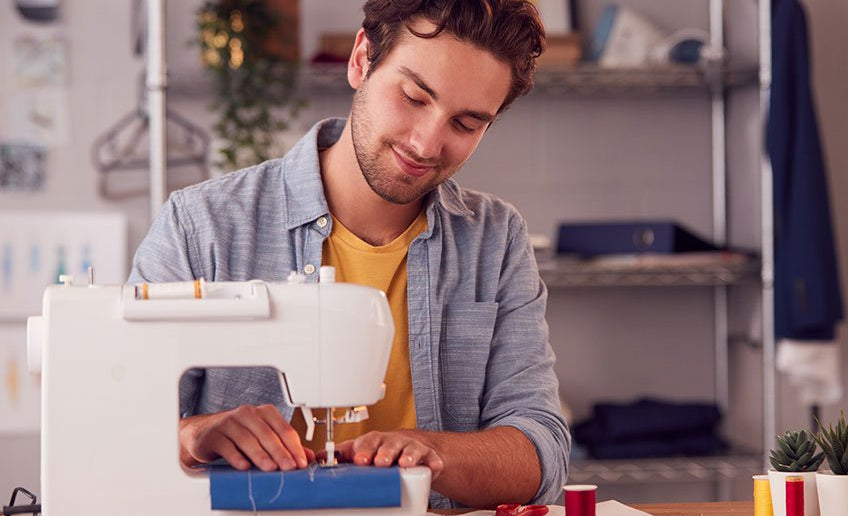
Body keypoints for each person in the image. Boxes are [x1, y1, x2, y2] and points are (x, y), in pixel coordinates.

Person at [128, 0, 570, 508]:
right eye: (412, 96)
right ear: (361, 59)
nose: (427, 143)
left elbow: (541, 451)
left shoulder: (494, 240)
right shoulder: (200, 226)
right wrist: (192, 436)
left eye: (466, 124)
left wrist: (433, 453)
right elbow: (115, 424)